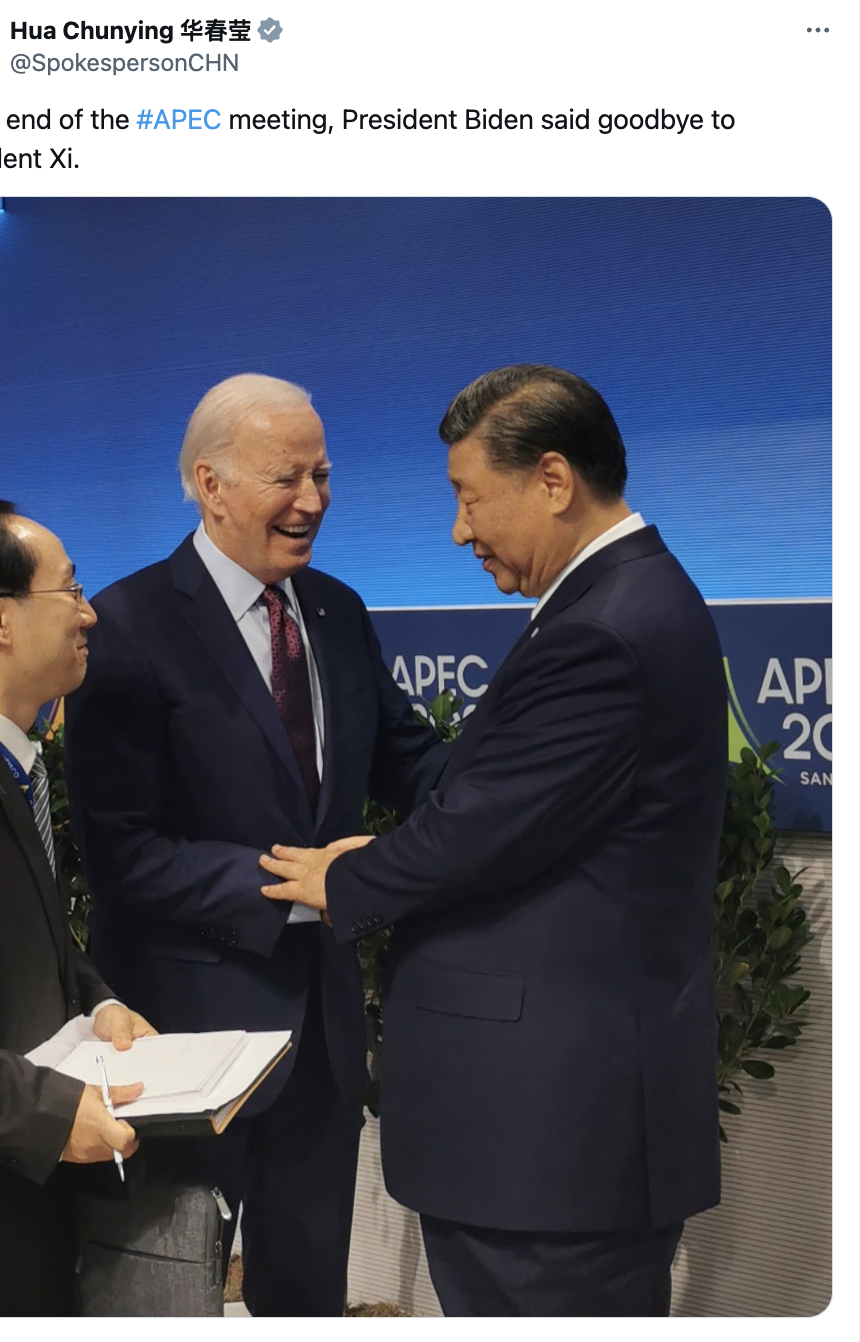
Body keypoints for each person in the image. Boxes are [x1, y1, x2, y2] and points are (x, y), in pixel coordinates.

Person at [259, 364, 727, 1317]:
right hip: (551, 1147)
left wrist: (346, 878)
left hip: (547, 1150)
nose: (458, 531)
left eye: (469, 498)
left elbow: (478, 830)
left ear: (553, 480)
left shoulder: (606, 630)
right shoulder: (622, 600)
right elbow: (518, 811)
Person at [63, 373, 444, 1317]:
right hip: (180, 1037)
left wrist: (526, 784)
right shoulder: (125, 628)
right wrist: (297, 886)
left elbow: (414, 764)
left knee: (306, 1298)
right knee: (164, 1300)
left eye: (324, 475)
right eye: (287, 477)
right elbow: (122, 854)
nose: (312, 500)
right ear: (211, 484)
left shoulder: (339, 611)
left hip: (320, 1042)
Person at [0, 500, 156, 1316]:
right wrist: (51, 1114)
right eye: (71, 591)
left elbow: (11, 933)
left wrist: (97, 1004)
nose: (89, 614)